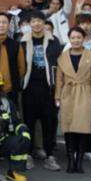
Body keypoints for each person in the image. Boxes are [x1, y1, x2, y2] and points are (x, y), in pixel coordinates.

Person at [19, 10, 61, 171]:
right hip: (29, 87)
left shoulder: (53, 41)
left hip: (48, 87)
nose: (36, 24)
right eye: (34, 21)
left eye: (39, 21)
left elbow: (58, 63)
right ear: (30, 24)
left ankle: (50, 156)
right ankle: (28, 155)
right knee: (28, 122)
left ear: (44, 23)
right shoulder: (23, 41)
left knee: (49, 122)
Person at [55, 27, 91, 174]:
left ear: (84, 39)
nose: (76, 40)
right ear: (69, 39)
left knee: (83, 127)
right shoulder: (63, 58)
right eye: (73, 38)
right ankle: (71, 161)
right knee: (68, 128)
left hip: (84, 93)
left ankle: (79, 162)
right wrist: (58, 96)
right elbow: (59, 79)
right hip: (68, 93)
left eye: (78, 37)